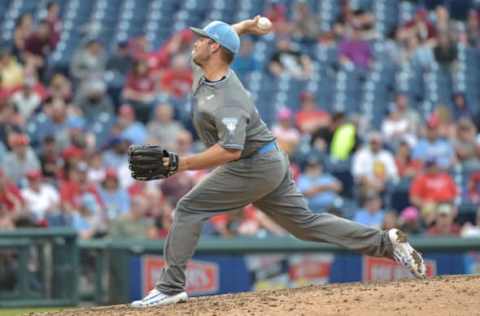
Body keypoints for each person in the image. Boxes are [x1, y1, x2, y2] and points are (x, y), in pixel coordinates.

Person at [130, 17, 426, 308]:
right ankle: (386, 243)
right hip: (266, 159)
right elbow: (225, 36)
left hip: (252, 164)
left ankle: (170, 287)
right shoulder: (209, 66)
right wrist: (245, 26)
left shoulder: (228, 98)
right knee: (304, 225)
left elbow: (230, 151)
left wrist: (179, 163)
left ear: (214, 48)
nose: (195, 42)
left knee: (189, 208)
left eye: (202, 39)